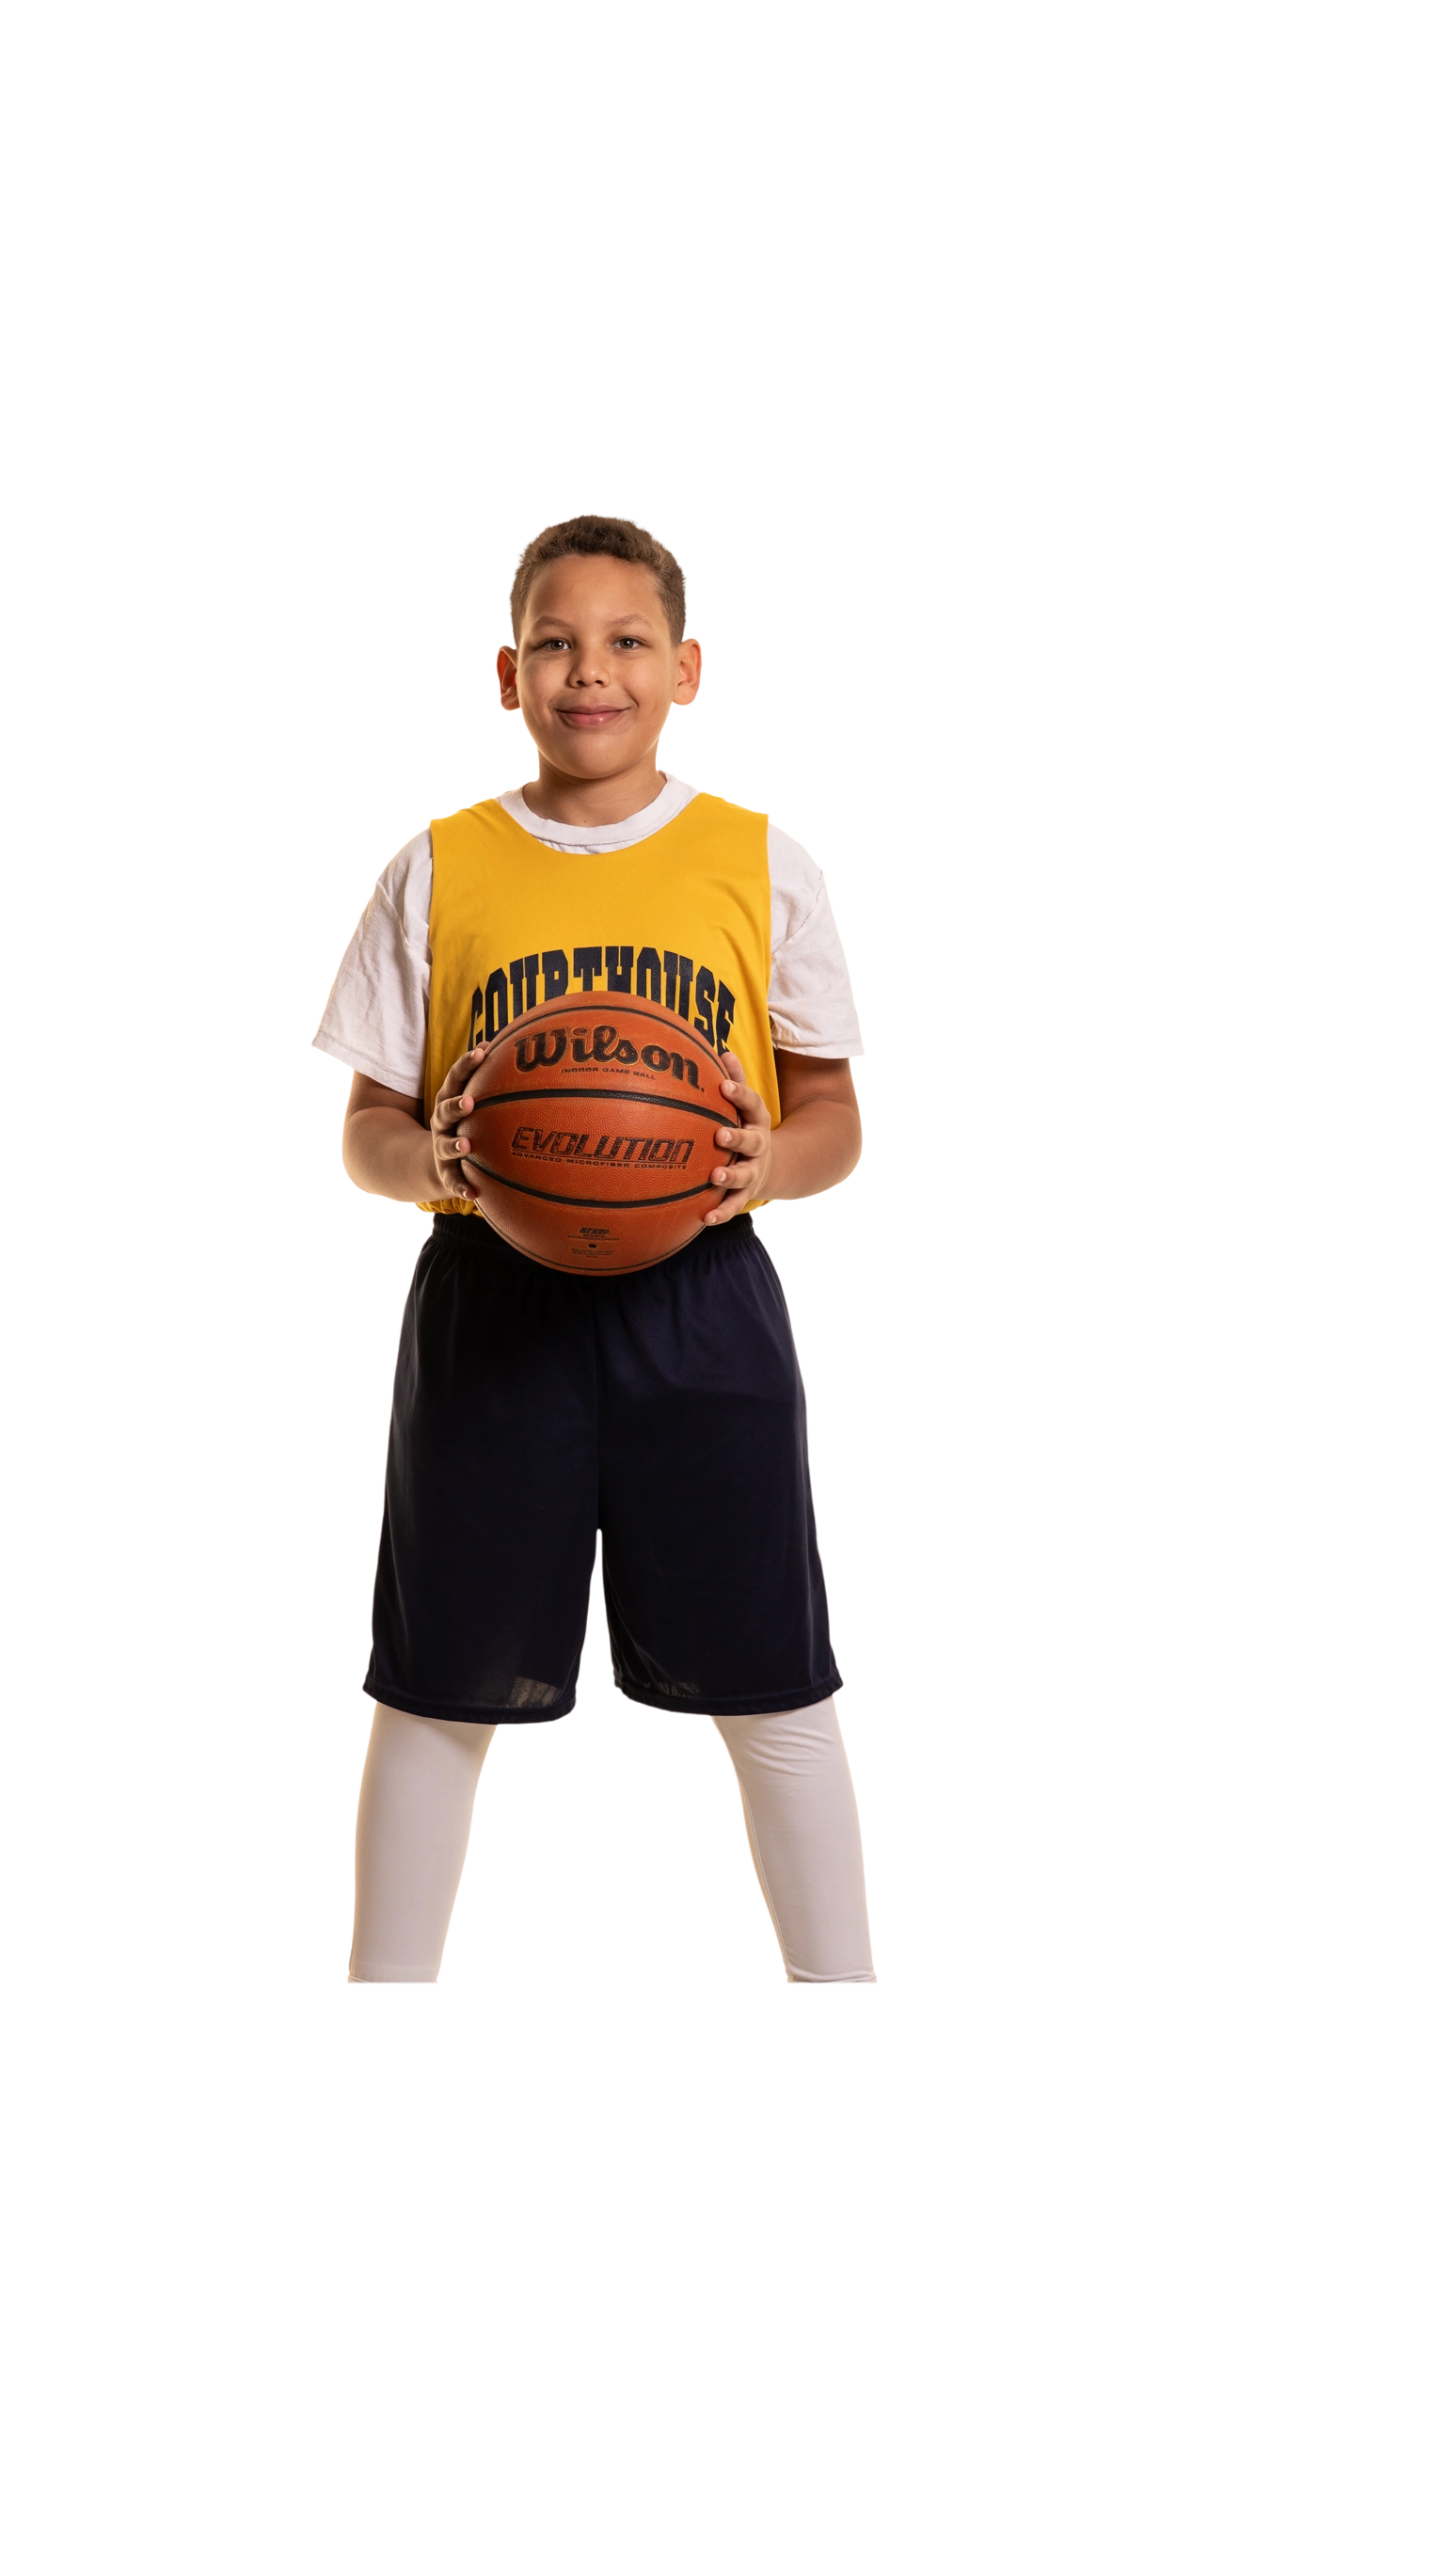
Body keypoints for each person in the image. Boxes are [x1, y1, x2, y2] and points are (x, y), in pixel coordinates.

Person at [312, 513, 876, 1984]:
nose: (590, 670)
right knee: (440, 1687)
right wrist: (435, 1158)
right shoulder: (438, 866)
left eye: (628, 640)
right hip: (489, 1310)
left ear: (686, 667)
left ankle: (842, 1994)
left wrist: (768, 1160)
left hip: (705, 1302)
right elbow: (367, 1130)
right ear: (508, 673)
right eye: (554, 642)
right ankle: (384, 1997)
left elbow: (833, 1116)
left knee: (775, 1681)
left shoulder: (759, 859)